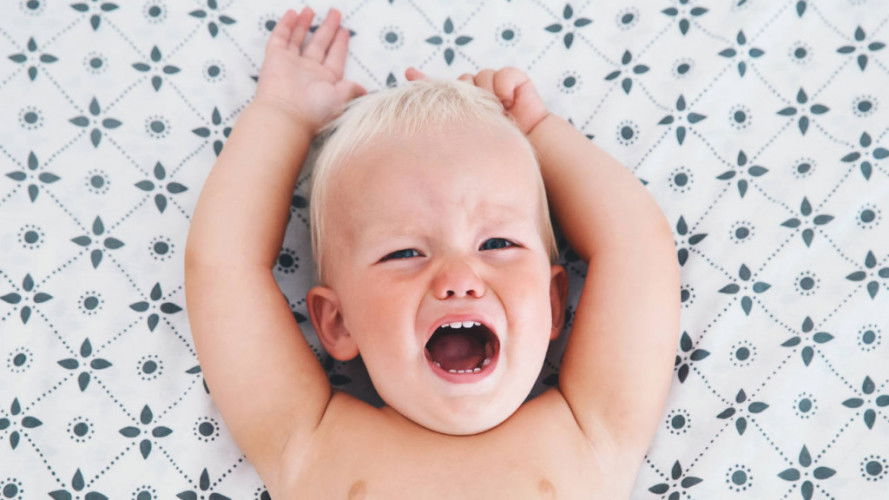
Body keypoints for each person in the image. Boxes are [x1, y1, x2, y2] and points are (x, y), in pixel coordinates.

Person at [184, 6, 680, 498]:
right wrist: (284, 117)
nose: (459, 278)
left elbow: (635, 246)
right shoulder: (308, 443)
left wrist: (538, 130)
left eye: (497, 244)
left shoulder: (591, 433)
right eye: (404, 253)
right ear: (338, 322)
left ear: (553, 302)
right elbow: (223, 269)